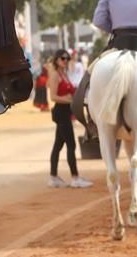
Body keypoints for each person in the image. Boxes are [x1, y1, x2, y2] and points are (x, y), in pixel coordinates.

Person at [47, 49, 93, 188]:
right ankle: (75, 177)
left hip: (65, 113)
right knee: (71, 145)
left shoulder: (64, 73)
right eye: (62, 58)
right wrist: (69, 101)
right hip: (61, 113)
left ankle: (53, 177)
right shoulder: (55, 75)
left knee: (58, 145)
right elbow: (53, 97)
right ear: (56, 60)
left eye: (67, 58)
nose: (65, 61)